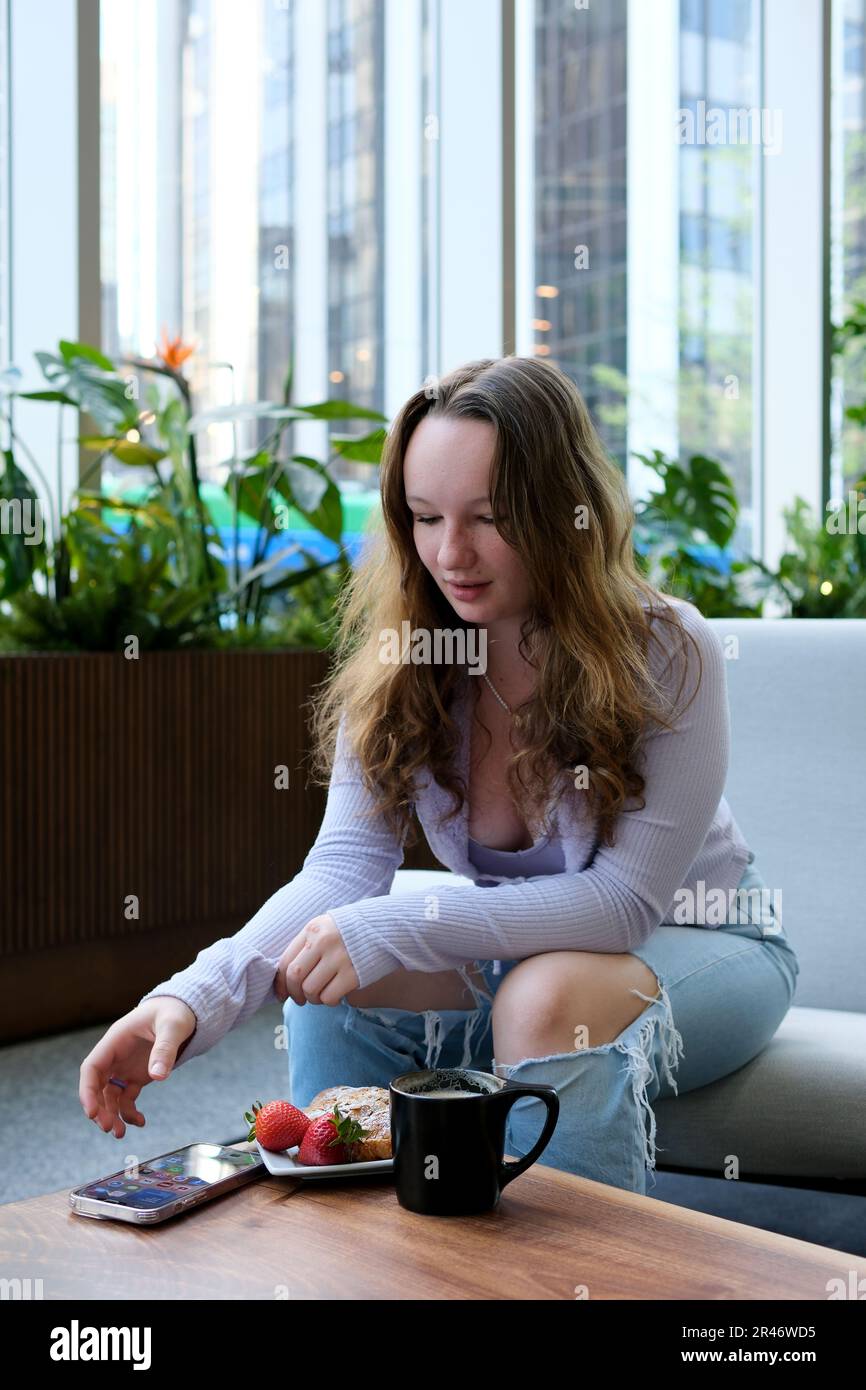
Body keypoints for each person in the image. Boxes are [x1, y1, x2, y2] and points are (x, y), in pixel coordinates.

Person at [79, 356, 799, 1194]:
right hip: (527, 942)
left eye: (489, 518)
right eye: (424, 517)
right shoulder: (404, 661)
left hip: (707, 938)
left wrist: (402, 924)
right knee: (325, 971)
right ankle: (362, 1261)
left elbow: (621, 905)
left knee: (541, 998)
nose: (450, 553)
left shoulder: (667, 649)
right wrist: (193, 998)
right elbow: (344, 871)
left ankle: (572, 1285)